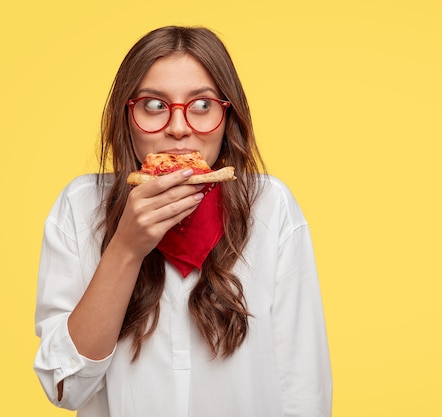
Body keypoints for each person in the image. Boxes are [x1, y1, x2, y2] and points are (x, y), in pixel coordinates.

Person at [34, 25, 332, 417]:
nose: (178, 127)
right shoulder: (80, 205)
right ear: (128, 116)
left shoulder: (270, 206)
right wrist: (125, 248)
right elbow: (65, 388)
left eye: (202, 105)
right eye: (155, 106)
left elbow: (302, 385)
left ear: (228, 116)